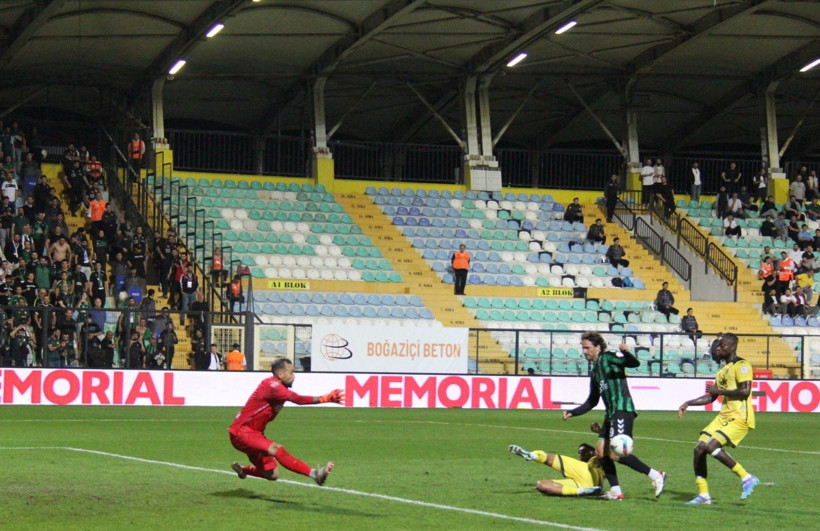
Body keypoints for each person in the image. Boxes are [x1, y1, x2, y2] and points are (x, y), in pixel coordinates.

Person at [562, 331, 665, 500]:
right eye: (583, 348)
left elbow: (634, 363)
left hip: (622, 409)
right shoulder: (595, 371)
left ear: (598, 347)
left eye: (587, 348)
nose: (584, 351)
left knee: (616, 453)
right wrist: (572, 412)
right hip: (610, 414)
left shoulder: (609, 357)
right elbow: (592, 401)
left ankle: (655, 475)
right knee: (601, 452)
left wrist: (625, 352)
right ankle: (616, 491)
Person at [228, 357, 343, 485]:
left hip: (255, 433)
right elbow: (297, 399)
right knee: (276, 449)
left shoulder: (279, 388)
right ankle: (315, 474)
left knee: (272, 475)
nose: (293, 376)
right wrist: (325, 398)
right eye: (291, 372)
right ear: (280, 374)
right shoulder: (272, 386)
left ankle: (243, 470)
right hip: (242, 432)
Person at [677, 333, 759, 505]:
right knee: (699, 449)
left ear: (732, 346)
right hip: (723, 416)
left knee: (711, 446)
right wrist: (688, 403)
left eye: (722, 345)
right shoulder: (722, 371)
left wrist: (719, 392)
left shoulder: (742, 365)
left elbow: (745, 391)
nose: (718, 348)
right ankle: (703, 495)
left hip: (739, 416)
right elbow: (711, 397)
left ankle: (746, 477)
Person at [507, 436, 603, 497]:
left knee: (551, 458)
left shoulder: (585, 466)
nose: (579, 455)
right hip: (589, 486)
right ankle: (580, 491)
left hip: (585, 471)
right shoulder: (601, 469)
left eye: (581, 453)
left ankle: (533, 455)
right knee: (541, 484)